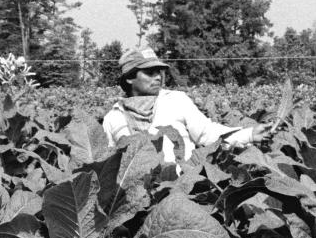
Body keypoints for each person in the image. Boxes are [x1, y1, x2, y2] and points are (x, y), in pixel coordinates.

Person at [102, 48, 272, 161]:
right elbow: (107, 164)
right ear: (130, 78)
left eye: (159, 72)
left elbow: (207, 134)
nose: (158, 77)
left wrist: (250, 134)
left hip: (180, 189)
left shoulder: (176, 100)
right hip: (137, 203)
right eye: (149, 72)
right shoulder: (113, 118)